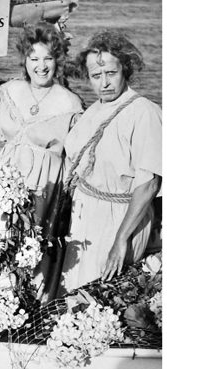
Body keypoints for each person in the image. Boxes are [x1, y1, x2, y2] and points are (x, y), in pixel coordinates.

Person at [0, 22, 84, 300]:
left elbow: (81, 159)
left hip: (44, 192)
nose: (41, 66)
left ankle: (25, 314)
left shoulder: (71, 104)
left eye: (48, 58)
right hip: (6, 187)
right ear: (24, 60)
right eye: (34, 58)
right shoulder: (9, 90)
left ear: (58, 60)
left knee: (34, 256)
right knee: (0, 249)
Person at [60, 31, 162, 293]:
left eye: (111, 73)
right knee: (72, 292)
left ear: (125, 69)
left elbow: (148, 186)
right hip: (84, 217)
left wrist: (120, 241)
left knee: (98, 297)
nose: (104, 83)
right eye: (96, 76)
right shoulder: (94, 110)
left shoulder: (144, 113)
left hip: (118, 219)